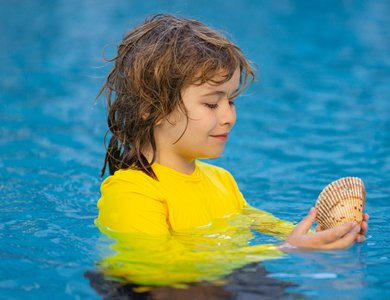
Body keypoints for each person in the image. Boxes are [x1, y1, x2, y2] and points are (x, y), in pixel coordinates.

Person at [95, 14, 369, 285]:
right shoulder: (131, 193)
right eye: (212, 104)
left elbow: (253, 220)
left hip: (228, 279)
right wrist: (287, 250)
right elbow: (156, 268)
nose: (229, 117)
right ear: (151, 109)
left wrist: (323, 233)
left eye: (232, 101)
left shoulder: (221, 181)